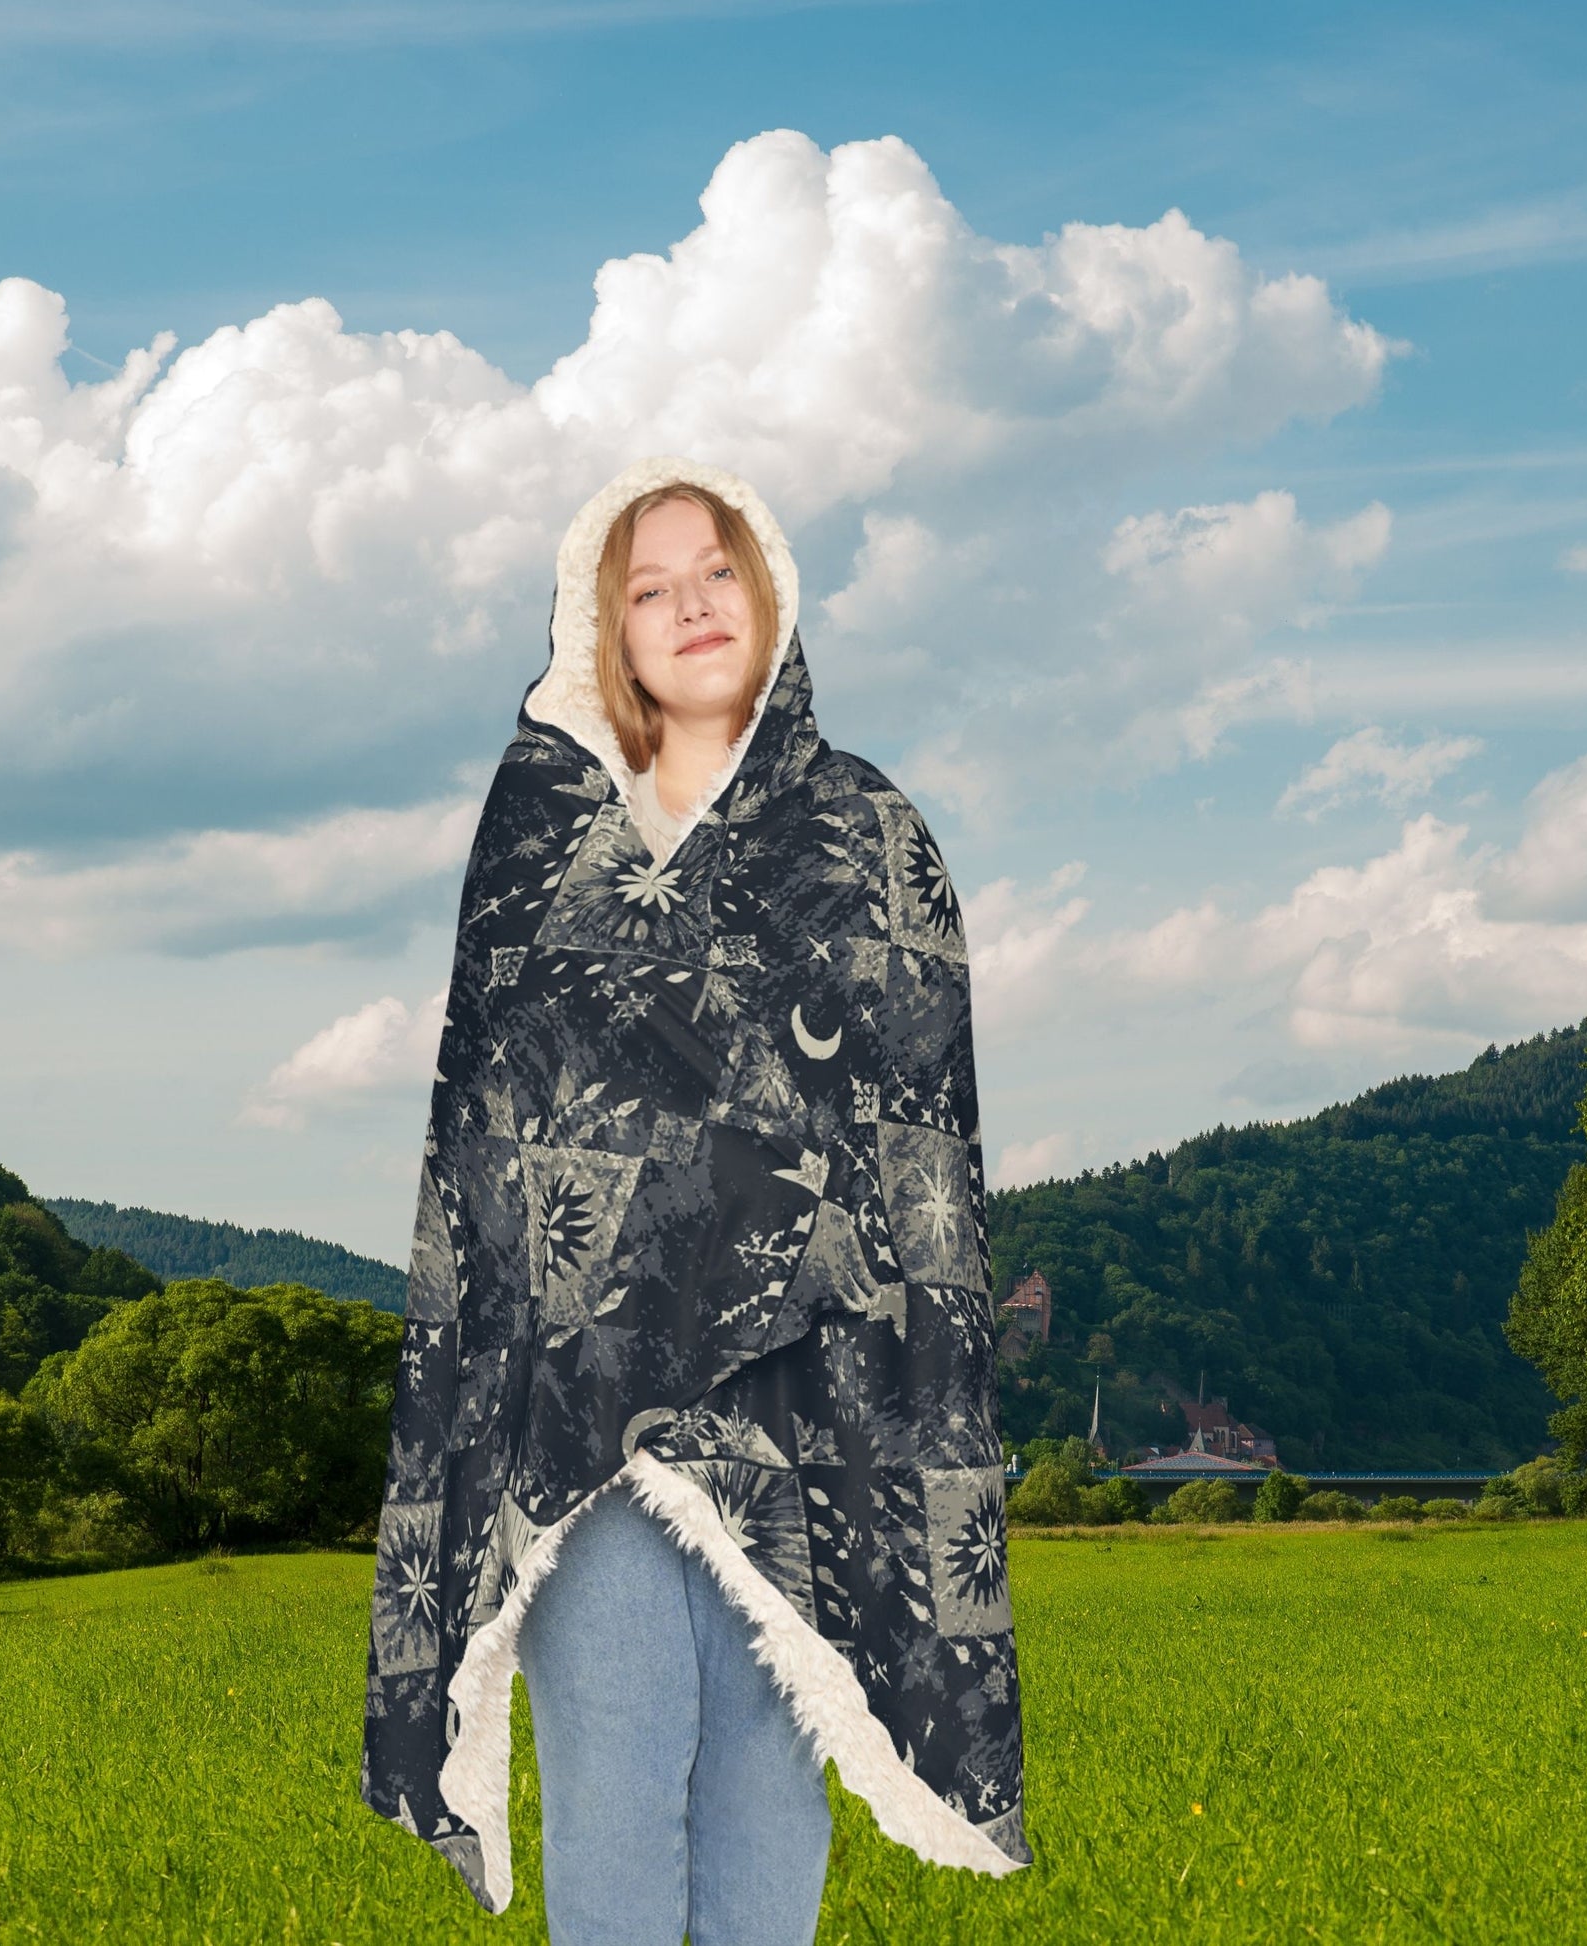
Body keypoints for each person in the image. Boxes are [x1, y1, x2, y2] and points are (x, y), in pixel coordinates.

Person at [360, 456, 1031, 1945]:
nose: (688, 604)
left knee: (765, 1780)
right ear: (605, 628)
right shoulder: (537, 847)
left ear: (769, 588)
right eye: (648, 587)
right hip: (584, 1412)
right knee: (615, 1753)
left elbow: (917, 1140)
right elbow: (488, 1131)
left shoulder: (870, 835)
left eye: (713, 569)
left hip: (806, 1404)